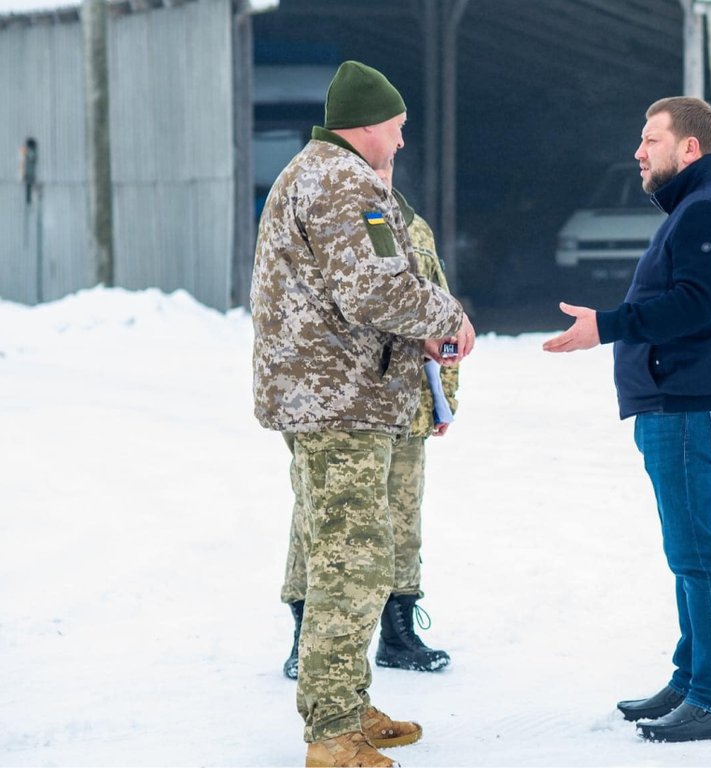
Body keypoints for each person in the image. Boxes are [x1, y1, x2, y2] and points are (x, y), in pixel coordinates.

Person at [251, 59, 472, 768]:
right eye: (399, 129)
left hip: (331, 396)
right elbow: (376, 290)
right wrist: (449, 316)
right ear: (369, 126)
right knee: (354, 562)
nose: (402, 143)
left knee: (346, 554)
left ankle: (348, 703)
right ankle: (332, 730)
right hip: (339, 401)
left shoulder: (312, 174)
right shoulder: (344, 182)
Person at [543, 96, 711, 743]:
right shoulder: (698, 210)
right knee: (687, 552)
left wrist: (606, 327)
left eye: (651, 140)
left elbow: (692, 307)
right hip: (680, 403)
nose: (638, 152)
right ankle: (690, 676)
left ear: (688, 148)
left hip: (694, 407)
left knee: (699, 555)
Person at [279, 160, 460, 681]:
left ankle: (399, 631)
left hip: (405, 400)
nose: (382, 169)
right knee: (321, 513)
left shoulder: (414, 227)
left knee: (403, 510)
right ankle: (305, 631)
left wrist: (441, 398)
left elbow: (438, 313)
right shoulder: (332, 219)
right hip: (342, 399)